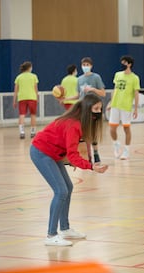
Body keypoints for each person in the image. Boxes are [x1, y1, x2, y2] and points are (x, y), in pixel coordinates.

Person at [30, 94, 108, 246]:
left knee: (68, 187)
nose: (98, 112)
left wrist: (88, 162)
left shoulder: (81, 123)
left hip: (54, 154)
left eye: (100, 109)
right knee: (61, 191)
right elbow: (73, 155)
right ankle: (51, 235)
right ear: (87, 109)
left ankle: (65, 229)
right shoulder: (74, 124)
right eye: (96, 109)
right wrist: (91, 166)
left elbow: (72, 150)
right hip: (41, 152)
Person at [108, 55, 140, 160]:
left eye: (124, 62)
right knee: (112, 128)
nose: (122, 64)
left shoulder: (135, 78)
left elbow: (136, 94)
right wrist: (110, 103)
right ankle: (116, 144)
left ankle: (126, 151)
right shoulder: (117, 75)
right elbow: (115, 89)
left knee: (126, 128)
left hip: (126, 106)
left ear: (129, 64)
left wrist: (135, 109)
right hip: (115, 105)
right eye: (121, 62)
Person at [77, 57, 106, 163]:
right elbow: (78, 95)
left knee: (93, 132)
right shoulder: (79, 79)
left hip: (93, 108)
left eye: (87, 64)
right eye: (83, 64)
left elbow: (103, 93)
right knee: (82, 133)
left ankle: (96, 153)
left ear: (91, 66)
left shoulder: (96, 77)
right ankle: (86, 156)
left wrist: (93, 89)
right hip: (83, 109)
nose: (85, 66)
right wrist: (66, 98)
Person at [13, 61, 39, 139]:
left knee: (22, 115)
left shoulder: (19, 77)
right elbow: (36, 88)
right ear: (29, 68)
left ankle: (22, 132)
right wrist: (37, 98)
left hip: (22, 98)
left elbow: (16, 90)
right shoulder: (34, 76)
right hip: (32, 97)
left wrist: (14, 100)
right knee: (33, 115)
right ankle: (33, 132)